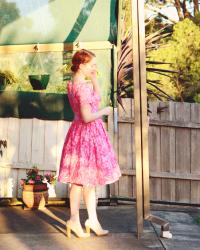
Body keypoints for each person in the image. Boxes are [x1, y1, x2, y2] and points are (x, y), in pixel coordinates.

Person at [58, 49, 121, 238]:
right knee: (79, 181)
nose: (95, 68)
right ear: (81, 65)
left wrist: (94, 79)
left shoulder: (73, 84)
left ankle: (91, 220)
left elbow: (95, 99)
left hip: (79, 134)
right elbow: (87, 116)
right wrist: (105, 112)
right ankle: (75, 220)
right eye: (92, 65)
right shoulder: (82, 87)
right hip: (87, 135)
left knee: (88, 181)